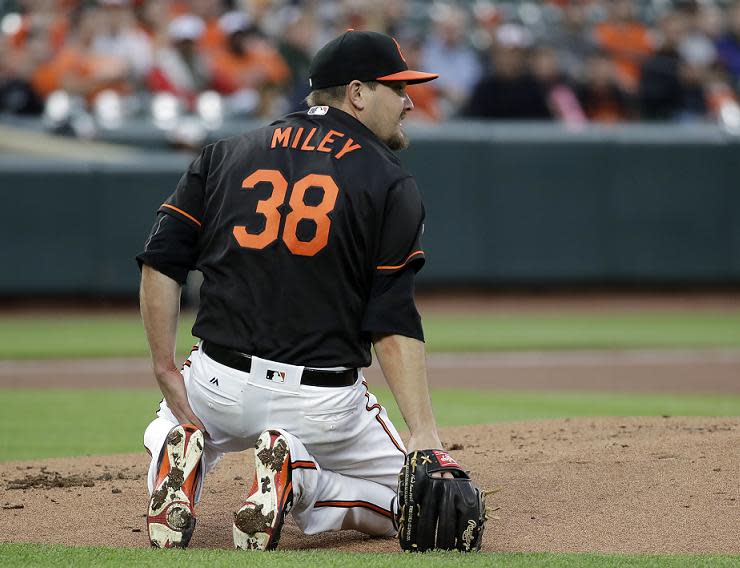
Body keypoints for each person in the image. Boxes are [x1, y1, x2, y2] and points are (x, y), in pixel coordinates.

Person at [137, 29, 445, 551]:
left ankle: (178, 452)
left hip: (217, 384)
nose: (409, 101)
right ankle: (301, 479)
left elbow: (161, 262)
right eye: (398, 88)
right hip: (319, 402)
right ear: (357, 93)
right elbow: (390, 319)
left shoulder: (226, 154)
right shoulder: (390, 181)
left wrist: (165, 366)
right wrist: (424, 433)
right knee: (418, 503)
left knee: (171, 424)